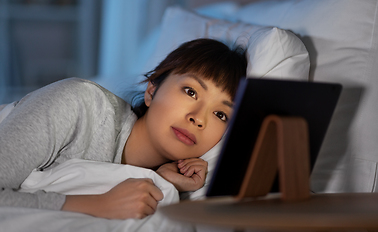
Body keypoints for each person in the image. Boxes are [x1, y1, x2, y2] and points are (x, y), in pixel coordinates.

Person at [0, 38, 247, 220]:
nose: (198, 118)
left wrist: (160, 181)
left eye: (220, 114)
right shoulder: (77, 105)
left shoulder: (166, 185)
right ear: (152, 91)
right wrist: (98, 204)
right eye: (191, 91)